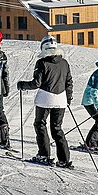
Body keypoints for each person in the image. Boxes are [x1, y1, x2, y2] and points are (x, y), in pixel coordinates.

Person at [17, 36, 74, 168]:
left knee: (40, 124)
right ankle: (64, 160)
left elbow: (36, 83)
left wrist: (22, 85)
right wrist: (68, 99)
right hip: (61, 100)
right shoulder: (64, 63)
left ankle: (44, 155)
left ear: (43, 47)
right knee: (57, 128)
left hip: (45, 98)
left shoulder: (42, 63)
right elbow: (69, 82)